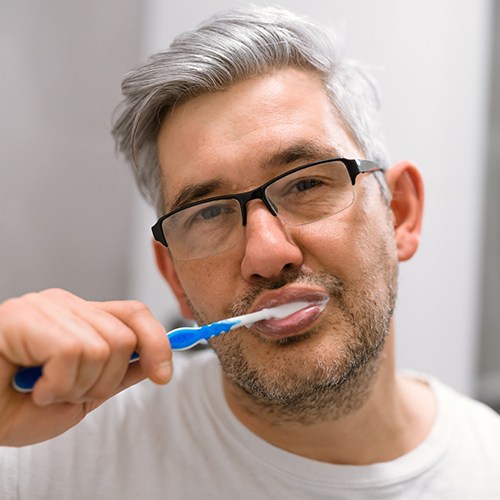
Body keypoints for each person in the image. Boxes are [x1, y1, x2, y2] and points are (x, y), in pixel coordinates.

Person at [0, 6, 499, 499]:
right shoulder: (44, 457)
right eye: (209, 214)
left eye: (305, 183)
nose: (266, 254)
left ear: (401, 214)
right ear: (174, 276)